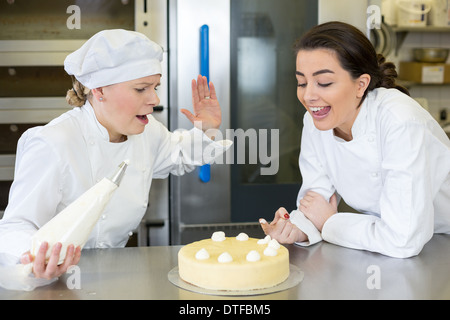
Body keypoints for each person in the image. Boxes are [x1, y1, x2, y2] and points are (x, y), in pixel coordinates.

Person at [0, 29, 231, 280]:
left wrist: (207, 129)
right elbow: (16, 225)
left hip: (114, 277)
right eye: (141, 88)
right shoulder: (53, 143)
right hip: (50, 283)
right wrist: (34, 258)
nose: (154, 98)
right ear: (99, 90)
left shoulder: (146, 131)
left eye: (155, 87)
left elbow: (179, 153)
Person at [260, 21, 450, 258]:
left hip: (440, 240)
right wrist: (296, 227)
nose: (308, 96)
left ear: (361, 84)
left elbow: (403, 239)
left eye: (324, 83)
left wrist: (330, 222)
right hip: (388, 243)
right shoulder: (315, 121)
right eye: (301, 82)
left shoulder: (400, 121)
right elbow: (315, 200)